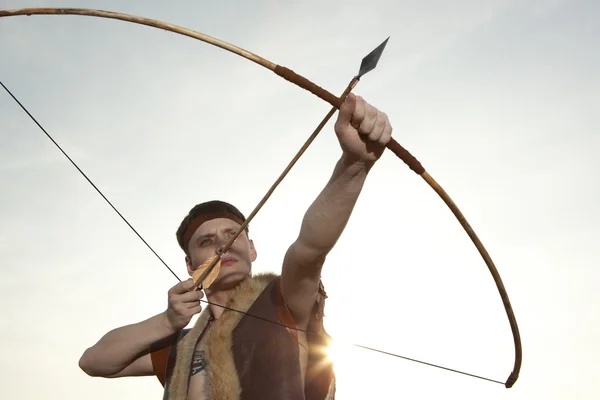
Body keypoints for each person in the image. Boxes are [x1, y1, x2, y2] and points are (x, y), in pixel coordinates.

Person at [78, 92, 393, 399]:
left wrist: (354, 166)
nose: (221, 245)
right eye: (205, 241)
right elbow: (94, 362)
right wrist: (167, 321)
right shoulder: (181, 347)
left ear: (252, 249)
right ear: (190, 265)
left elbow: (309, 251)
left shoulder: (283, 301)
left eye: (232, 234)